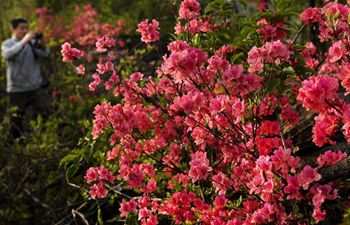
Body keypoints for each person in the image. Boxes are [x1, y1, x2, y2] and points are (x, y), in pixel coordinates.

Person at [1, 18, 50, 140]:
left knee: (44, 114)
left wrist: (43, 45)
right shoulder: (7, 44)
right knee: (15, 121)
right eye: (22, 28)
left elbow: (45, 55)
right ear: (13, 29)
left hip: (35, 88)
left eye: (26, 28)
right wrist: (24, 41)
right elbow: (7, 55)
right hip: (17, 90)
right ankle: (18, 146)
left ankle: (43, 141)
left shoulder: (31, 44)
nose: (25, 30)